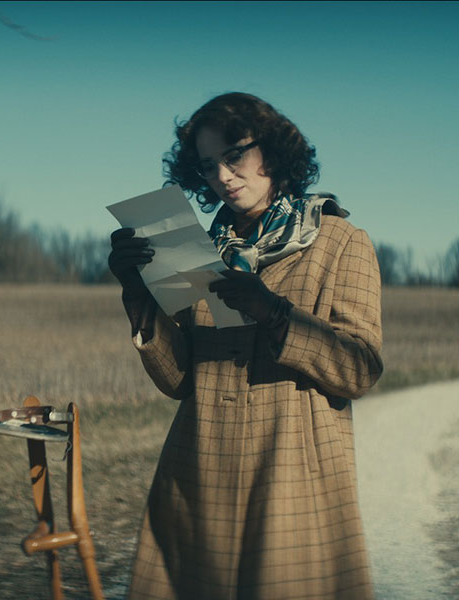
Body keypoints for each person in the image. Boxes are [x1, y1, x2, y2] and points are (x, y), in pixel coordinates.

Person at [108, 92, 383, 600]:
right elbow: (180, 379)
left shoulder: (341, 242)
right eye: (209, 165)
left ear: (273, 153)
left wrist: (274, 312)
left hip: (292, 481)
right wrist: (135, 290)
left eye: (234, 156)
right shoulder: (194, 251)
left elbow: (360, 369)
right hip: (198, 477)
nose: (224, 176)